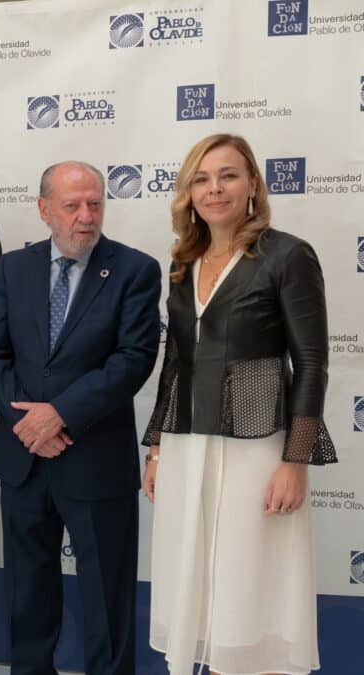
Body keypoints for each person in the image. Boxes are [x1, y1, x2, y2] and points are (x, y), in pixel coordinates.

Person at [142, 133, 336, 675]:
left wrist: (295, 462)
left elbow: (313, 363)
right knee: (194, 587)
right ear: (188, 192)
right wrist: (156, 447)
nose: (215, 188)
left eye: (228, 175)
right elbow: (175, 361)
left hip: (257, 450)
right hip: (186, 446)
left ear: (252, 183)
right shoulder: (185, 259)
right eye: (201, 179)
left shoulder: (287, 255)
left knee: (248, 588)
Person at [0, 161, 161, 675]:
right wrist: (28, 425)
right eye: (72, 205)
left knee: (107, 599)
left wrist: (59, 416)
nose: (86, 216)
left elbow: (133, 360)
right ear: (43, 209)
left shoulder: (135, 269)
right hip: (24, 460)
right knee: (27, 596)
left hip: (95, 461)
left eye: (95, 204)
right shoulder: (13, 269)